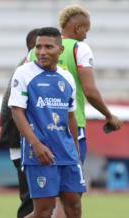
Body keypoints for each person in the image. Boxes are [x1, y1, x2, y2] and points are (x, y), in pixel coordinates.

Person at [28, 4, 123, 163]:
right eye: (86, 30)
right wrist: (109, 116)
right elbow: (90, 91)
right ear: (77, 28)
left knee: (47, 185)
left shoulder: (33, 53)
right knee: (71, 184)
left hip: (39, 128)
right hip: (70, 126)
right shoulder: (80, 48)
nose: (86, 35)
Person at [9, 27, 86, 218]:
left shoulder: (67, 77)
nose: (42, 51)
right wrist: (36, 144)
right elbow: (17, 112)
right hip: (40, 152)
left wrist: (75, 153)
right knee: (43, 212)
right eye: (38, 47)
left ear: (60, 50)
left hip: (66, 153)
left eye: (48, 47)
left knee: (74, 206)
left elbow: (70, 117)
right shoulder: (24, 73)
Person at [0, 28, 38, 218]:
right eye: (42, 46)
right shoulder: (25, 72)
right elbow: (14, 110)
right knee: (32, 199)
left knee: (36, 199)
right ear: (33, 47)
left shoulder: (27, 69)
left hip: (21, 143)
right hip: (22, 144)